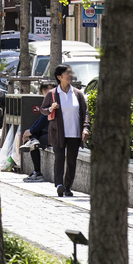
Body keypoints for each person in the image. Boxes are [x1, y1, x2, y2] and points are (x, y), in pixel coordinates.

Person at [41, 64, 89, 197]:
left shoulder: (77, 93)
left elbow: (85, 112)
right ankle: (59, 185)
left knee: (72, 160)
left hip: (74, 133)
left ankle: (68, 186)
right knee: (59, 158)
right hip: (58, 133)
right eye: (67, 73)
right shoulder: (52, 94)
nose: (70, 75)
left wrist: (85, 128)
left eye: (70, 73)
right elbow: (43, 109)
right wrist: (51, 108)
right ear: (59, 77)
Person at [20, 80, 56, 182]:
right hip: (52, 133)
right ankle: (37, 172)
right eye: (46, 91)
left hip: (59, 136)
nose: (48, 93)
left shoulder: (56, 103)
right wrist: (30, 131)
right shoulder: (48, 102)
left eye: (50, 90)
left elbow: (44, 120)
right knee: (34, 137)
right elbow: (41, 119)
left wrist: (29, 132)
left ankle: (37, 172)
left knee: (34, 138)